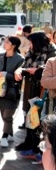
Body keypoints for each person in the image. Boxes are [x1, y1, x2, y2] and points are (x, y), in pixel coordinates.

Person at [14, 32, 56, 162]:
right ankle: (31, 145)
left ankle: (39, 149)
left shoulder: (51, 52)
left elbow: (45, 78)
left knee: (41, 119)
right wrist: (19, 70)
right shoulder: (32, 52)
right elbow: (25, 67)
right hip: (31, 88)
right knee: (30, 115)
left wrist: (37, 71)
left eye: (31, 42)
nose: (30, 45)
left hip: (43, 91)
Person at [0, 36, 25, 147]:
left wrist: (5, 74)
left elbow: (19, 77)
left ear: (13, 45)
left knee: (7, 115)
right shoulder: (0, 56)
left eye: (7, 42)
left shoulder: (20, 59)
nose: (4, 44)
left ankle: (4, 136)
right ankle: (10, 133)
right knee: (3, 115)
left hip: (12, 90)